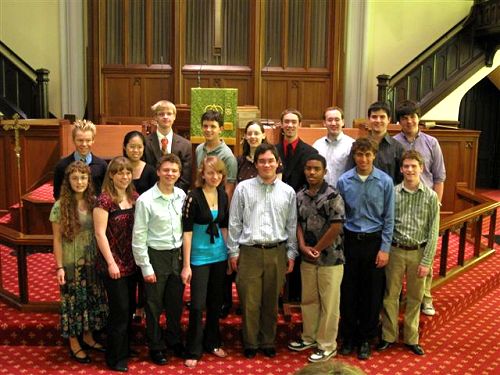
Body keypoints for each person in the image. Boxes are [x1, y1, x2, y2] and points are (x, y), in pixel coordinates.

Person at [227, 143, 298, 359]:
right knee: (249, 301)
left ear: (278, 163)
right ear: (255, 164)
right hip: (250, 251)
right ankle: (250, 342)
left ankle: (267, 340)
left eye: (270, 161)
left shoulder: (288, 192)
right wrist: (233, 251)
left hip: (277, 250)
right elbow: (235, 222)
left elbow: (292, 225)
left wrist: (291, 253)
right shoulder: (243, 188)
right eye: (262, 161)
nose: (267, 165)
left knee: (270, 300)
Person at [337, 138, 395, 360]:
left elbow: (389, 218)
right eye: (359, 155)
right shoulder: (344, 181)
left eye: (367, 155)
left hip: (374, 242)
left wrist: (385, 248)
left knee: (371, 294)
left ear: (374, 155)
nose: (363, 159)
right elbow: (340, 217)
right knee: (349, 291)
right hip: (351, 241)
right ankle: (349, 337)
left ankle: (365, 339)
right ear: (354, 156)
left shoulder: (385, 182)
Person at [378, 150, 439, 356]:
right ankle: (388, 336)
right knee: (390, 296)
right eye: (406, 166)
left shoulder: (431, 196)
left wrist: (427, 261)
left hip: (418, 252)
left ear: (421, 168)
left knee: (415, 297)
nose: (410, 170)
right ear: (401, 169)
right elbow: (386, 223)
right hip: (395, 250)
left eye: (414, 166)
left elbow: (433, 231)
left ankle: (411, 338)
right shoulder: (393, 193)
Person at [288, 154, 345, 363]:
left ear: (324, 171)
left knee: (329, 304)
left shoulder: (333, 195)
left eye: (316, 169)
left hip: (331, 258)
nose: (312, 172)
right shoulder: (300, 195)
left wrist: (318, 248)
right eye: (308, 168)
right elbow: (297, 223)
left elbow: (337, 225)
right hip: (308, 258)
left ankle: (327, 345)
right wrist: (303, 246)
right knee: (309, 300)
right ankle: (309, 337)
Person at [50, 161, 108, 364]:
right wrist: (59, 267)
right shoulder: (60, 206)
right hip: (70, 261)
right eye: (74, 178)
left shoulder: (94, 202)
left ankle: (88, 336)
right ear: (68, 181)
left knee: (90, 300)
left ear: (89, 180)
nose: (79, 181)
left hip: (92, 260)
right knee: (73, 302)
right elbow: (56, 239)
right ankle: (74, 343)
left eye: (83, 177)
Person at [132, 154, 187, 366]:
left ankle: (173, 339)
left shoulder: (182, 195)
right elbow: (139, 236)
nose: (170, 174)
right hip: (156, 256)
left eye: (174, 170)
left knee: (175, 303)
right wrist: (145, 267)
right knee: (154, 305)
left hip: (177, 254)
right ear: (158, 171)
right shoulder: (146, 200)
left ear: (179, 173)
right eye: (166, 170)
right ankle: (155, 345)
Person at [394, 100, 446, 317]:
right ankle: (396, 297)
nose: (409, 121)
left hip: (425, 201)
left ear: (418, 117)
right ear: (400, 121)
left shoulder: (431, 142)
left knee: (425, 250)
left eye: (412, 116)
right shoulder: (394, 142)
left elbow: (439, 176)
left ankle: (425, 298)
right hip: (403, 200)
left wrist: (436, 203)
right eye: (404, 117)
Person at [181, 156, 229, 368]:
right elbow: (187, 232)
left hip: (219, 254)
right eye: (210, 172)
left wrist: (228, 254)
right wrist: (186, 264)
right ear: (202, 173)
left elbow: (225, 226)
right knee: (198, 305)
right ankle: (194, 348)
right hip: (199, 257)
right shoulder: (193, 196)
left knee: (214, 302)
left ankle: (212, 342)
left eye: (218, 172)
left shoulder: (222, 194)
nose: (215, 177)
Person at [94, 157, 139, 372]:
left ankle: (125, 348)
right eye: (120, 172)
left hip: (132, 261)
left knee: (129, 308)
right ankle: (115, 358)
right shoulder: (104, 200)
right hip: (112, 264)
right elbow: (99, 234)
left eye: (128, 172)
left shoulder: (133, 196)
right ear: (111, 175)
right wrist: (112, 263)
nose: (125, 176)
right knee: (119, 310)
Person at [276, 108, 318, 302]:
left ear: (299, 125)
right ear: (282, 125)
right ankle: (277, 295)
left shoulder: (310, 152)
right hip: (275, 209)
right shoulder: (272, 150)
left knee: (296, 253)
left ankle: (294, 296)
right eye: (286, 121)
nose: (290, 125)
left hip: (300, 210)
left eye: (294, 122)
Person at [123, 130, 157, 323]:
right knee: (127, 266)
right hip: (122, 225)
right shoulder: (119, 167)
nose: (135, 150)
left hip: (145, 224)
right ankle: (127, 304)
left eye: (139, 147)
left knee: (143, 264)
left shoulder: (150, 171)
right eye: (132, 146)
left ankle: (142, 305)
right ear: (125, 147)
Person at [346, 101, 404, 184]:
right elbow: (349, 173)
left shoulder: (397, 147)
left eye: (382, 117)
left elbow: (401, 178)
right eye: (374, 117)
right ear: (369, 119)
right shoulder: (358, 145)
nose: (378, 120)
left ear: (389, 120)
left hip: (388, 194)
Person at [144, 100, 192, 192]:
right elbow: (144, 174)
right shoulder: (145, 143)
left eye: (169, 114)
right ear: (155, 117)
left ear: (174, 117)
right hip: (151, 194)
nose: (165, 117)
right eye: (161, 114)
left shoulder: (186, 145)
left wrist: (173, 194)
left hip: (176, 195)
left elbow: (186, 178)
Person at [53, 119, 107, 199]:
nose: (84, 144)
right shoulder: (62, 166)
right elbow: (58, 194)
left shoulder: (102, 165)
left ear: (93, 140)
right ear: (73, 140)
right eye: (80, 140)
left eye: (88, 140)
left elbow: (104, 193)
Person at [195, 110, 237, 202]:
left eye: (213, 126)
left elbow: (229, 189)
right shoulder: (199, 149)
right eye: (205, 126)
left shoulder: (227, 156)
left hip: (217, 203)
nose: (208, 130)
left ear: (221, 129)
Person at [312, 107, 355, 187]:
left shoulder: (352, 144)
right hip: (321, 194)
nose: (333, 123)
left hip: (343, 192)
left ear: (343, 122)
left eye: (337, 119)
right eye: (330, 120)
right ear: (324, 123)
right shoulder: (317, 145)